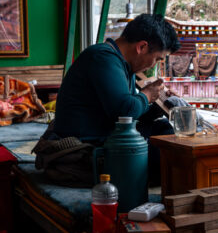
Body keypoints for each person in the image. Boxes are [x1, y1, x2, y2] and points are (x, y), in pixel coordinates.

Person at [34, 14, 180, 187]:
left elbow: (127, 116)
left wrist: (158, 105)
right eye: (157, 59)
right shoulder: (103, 58)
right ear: (141, 46)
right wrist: (147, 95)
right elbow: (123, 111)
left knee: (162, 129)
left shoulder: (122, 64)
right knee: (162, 152)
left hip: (104, 132)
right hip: (87, 145)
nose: (154, 65)